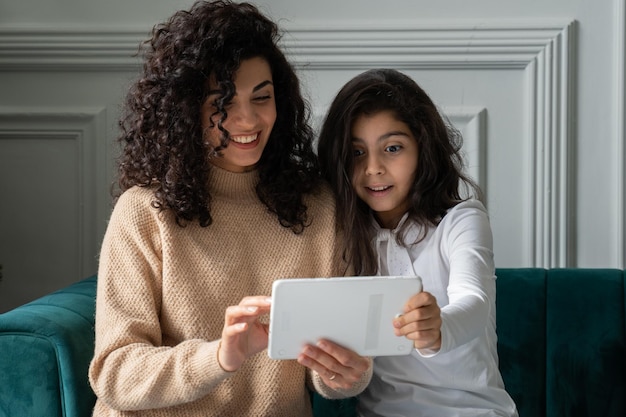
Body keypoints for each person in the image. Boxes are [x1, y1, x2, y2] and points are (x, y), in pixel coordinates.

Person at [87, 1, 372, 416]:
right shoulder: (144, 211)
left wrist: (345, 374)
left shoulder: (320, 207)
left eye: (262, 97)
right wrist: (219, 358)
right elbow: (115, 373)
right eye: (222, 103)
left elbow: (327, 357)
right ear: (186, 109)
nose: (247, 120)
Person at [317, 68, 518, 417]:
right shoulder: (339, 236)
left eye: (392, 148)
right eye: (357, 153)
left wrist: (439, 327)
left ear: (423, 149)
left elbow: (474, 300)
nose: (374, 168)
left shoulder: (462, 220)